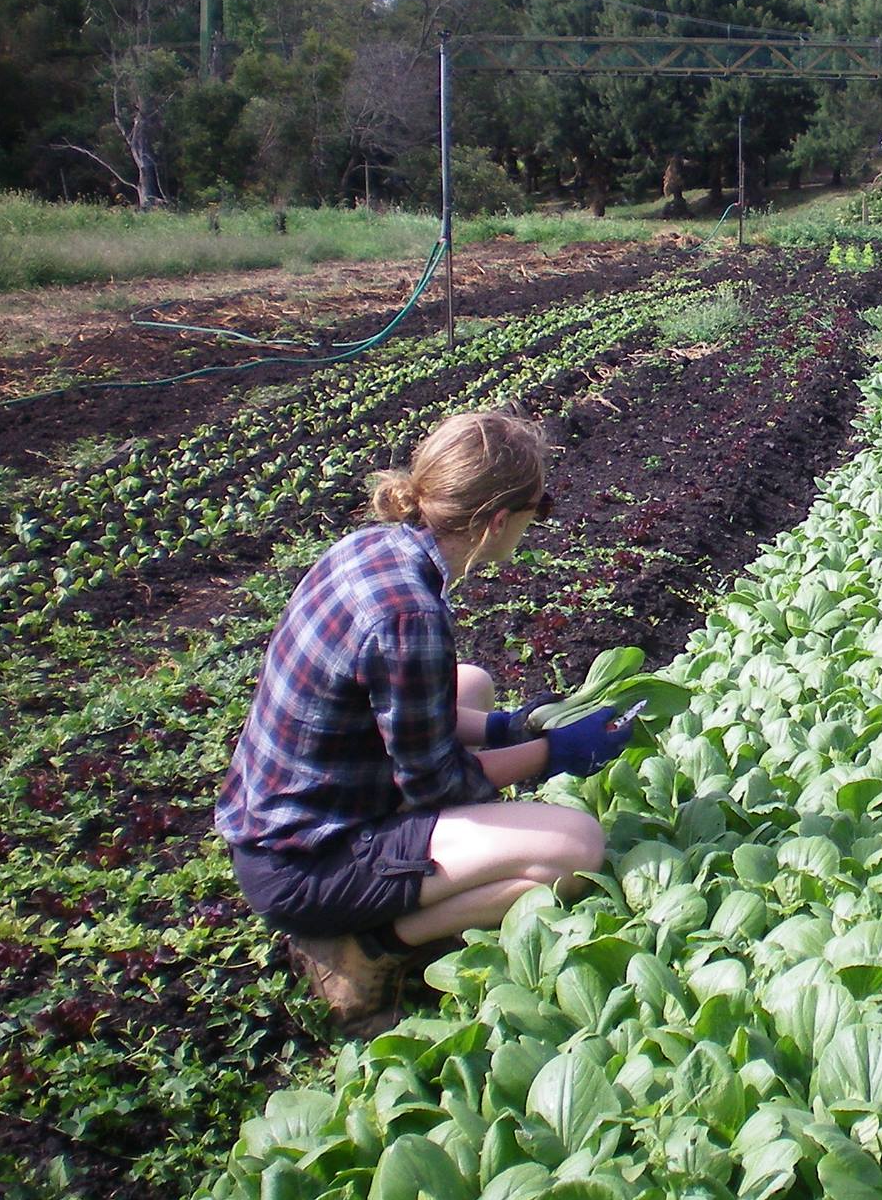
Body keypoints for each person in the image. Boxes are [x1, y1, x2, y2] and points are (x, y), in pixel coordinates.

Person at [214, 409, 634, 1035]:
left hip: (274, 818)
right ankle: (361, 951)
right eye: (537, 508)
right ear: (497, 520)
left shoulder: (371, 546)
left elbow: (407, 712)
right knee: (573, 850)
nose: (535, 521)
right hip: (308, 864)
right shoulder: (410, 613)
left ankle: (398, 894)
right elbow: (437, 784)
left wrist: (504, 727)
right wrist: (554, 753)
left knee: (475, 685)